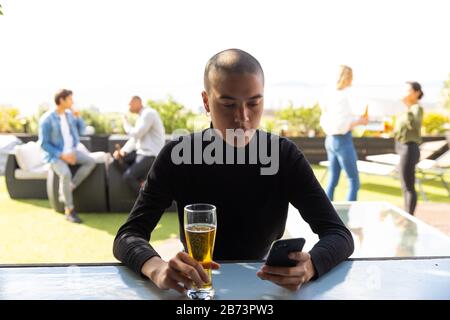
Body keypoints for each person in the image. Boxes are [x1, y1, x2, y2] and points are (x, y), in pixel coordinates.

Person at [113, 49, 354, 293]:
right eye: (228, 104)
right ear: (206, 102)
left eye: (254, 102)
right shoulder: (178, 156)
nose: (243, 117)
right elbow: (128, 236)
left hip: (261, 287)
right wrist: (157, 268)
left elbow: (338, 234)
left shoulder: (283, 156)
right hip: (198, 289)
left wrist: (311, 265)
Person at [39, 89, 96, 223]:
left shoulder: (70, 115)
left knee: (91, 161)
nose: (73, 102)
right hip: (55, 156)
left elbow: (82, 131)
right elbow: (43, 144)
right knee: (65, 174)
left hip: (73, 151)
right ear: (62, 100)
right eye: (70, 99)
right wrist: (62, 156)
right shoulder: (46, 119)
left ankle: (69, 187)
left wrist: (78, 117)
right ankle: (69, 210)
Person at [320, 65, 368, 201]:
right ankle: (348, 218)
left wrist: (355, 119)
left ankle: (326, 216)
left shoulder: (328, 94)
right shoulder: (345, 95)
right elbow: (342, 126)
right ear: (349, 77)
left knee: (332, 180)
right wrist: (361, 121)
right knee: (354, 181)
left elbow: (332, 118)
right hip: (342, 140)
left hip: (330, 140)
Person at [112, 96, 165, 194]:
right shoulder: (141, 116)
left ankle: (145, 200)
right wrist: (123, 151)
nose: (128, 106)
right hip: (141, 152)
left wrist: (125, 122)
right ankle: (141, 180)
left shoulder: (149, 113)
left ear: (138, 102)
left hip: (151, 154)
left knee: (128, 177)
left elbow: (136, 134)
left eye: (130, 103)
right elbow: (135, 139)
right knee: (116, 160)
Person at [393, 81, 424, 215]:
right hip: (402, 148)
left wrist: (408, 106)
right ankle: (407, 215)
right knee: (405, 185)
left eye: (409, 90)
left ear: (416, 93)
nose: (406, 93)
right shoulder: (409, 109)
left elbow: (414, 126)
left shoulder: (416, 108)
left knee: (409, 186)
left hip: (410, 149)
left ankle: (409, 217)